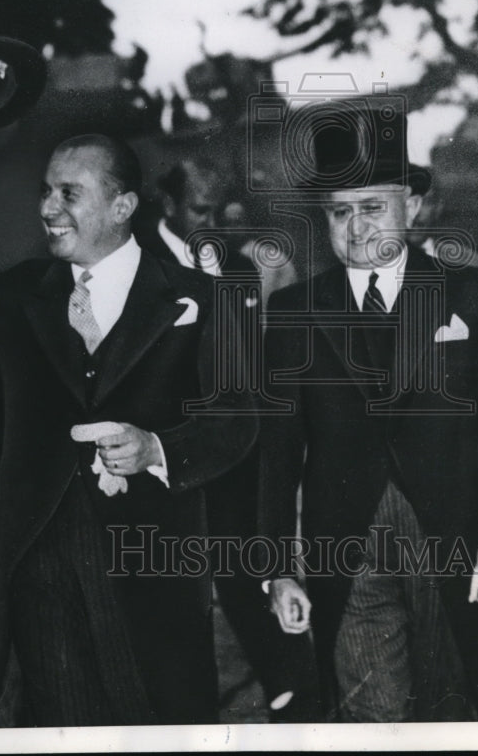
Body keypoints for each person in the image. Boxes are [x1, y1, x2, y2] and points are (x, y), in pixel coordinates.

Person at [0, 126, 258, 727]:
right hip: (42, 565)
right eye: (46, 191)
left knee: (159, 724)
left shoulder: (201, 298)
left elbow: (237, 418)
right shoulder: (20, 293)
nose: (48, 208)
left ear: (121, 206)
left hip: (150, 565)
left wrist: (156, 447)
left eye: (69, 194)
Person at [259, 100, 478, 722]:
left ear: (412, 205)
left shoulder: (468, 292)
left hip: (452, 539)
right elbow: (277, 449)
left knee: (455, 708)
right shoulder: (295, 311)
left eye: (372, 207)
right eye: (339, 212)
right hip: (345, 545)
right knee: (371, 714)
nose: (356, 228)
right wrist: (278, 568)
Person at [137, 159, 321, 721]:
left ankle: (292, 693)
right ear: (168, 204)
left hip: (238, 453)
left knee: (250, 569)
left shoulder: (240, 269)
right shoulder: (138, 265)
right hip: (165, 459)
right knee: (172, 594)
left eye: (221, 212)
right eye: (200, 210)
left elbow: (253, 367)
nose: (213, 224)